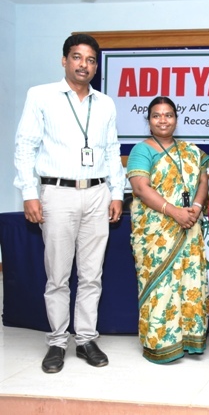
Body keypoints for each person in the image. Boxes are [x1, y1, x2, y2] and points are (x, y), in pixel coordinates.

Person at [14, 34, 125, 373]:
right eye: (77, 57)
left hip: (97, 193)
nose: (83, 65)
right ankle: (57, 342)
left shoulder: (104, 103)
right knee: (58, 275)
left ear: (96, 66)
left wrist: (116, 193)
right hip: (57, 193)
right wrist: (29, 192)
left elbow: (111, 150)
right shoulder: (41, 96)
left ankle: (86, 339)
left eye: (90, 60)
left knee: (92, 274)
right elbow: (25, 146)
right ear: (64, 60)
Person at [127, 96, 209, 364]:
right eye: (156, 115)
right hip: (156, 231)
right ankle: (161, 344)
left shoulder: (191, 150)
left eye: (168, 115)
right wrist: (174, 212)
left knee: (190, 282)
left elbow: (203, 181)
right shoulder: (142, 150)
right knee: (161, 285)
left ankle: (189, 339)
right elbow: (141, 188)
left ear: (176, 118)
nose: (163, 120)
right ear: (149, 120)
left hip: (189, 225)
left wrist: (196, 207)